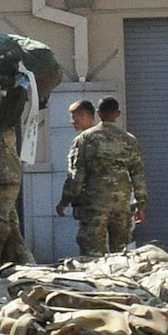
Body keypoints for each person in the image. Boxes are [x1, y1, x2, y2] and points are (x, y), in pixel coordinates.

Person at [58, 95, 147, 256]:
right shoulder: (130, 140)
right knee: (120, 251)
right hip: (121, 203)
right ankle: (120, 279)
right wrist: (141, 205)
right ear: (118, 114)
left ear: (98, 114)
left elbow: (77, 175)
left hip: (95, 203)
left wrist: (71, 202)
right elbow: (138, 176)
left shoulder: (86, 138)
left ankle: (96, 280)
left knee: (92, 250)